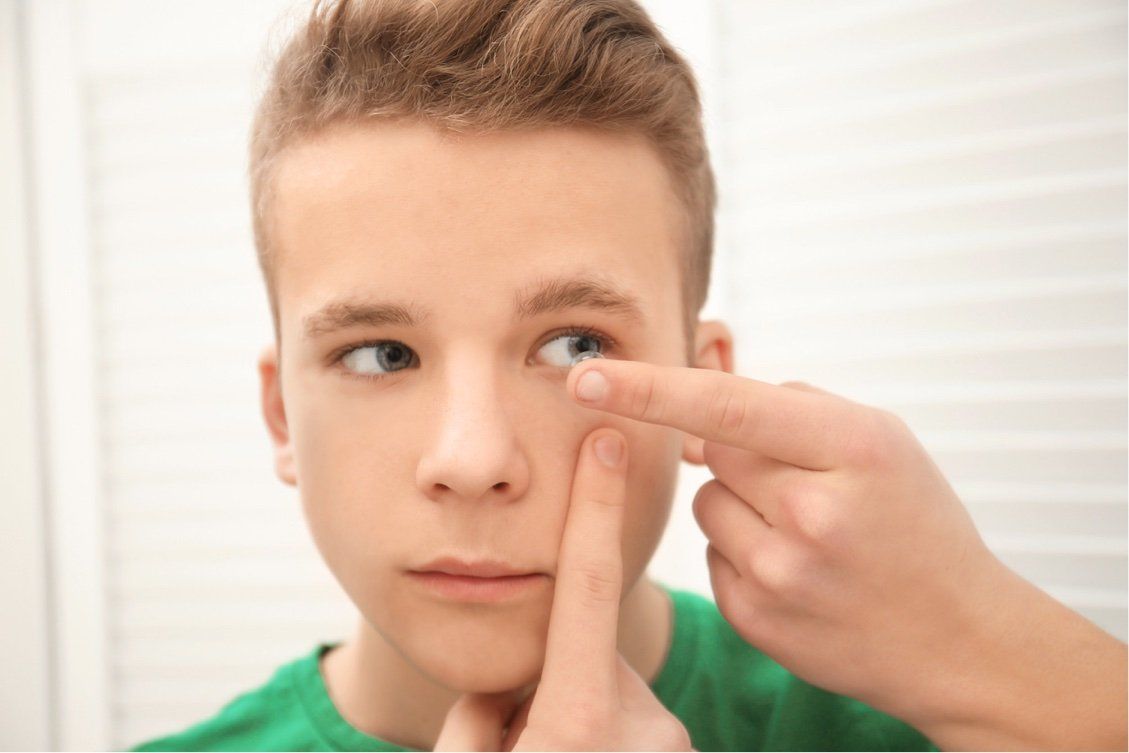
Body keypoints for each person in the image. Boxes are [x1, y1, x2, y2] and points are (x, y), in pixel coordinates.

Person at [128, 0, 1128, 750]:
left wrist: (980, 639)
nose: (473, 461)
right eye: (382, 354)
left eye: (576, 347)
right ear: (280, 417)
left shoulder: (930, 722)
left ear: (706, 388)